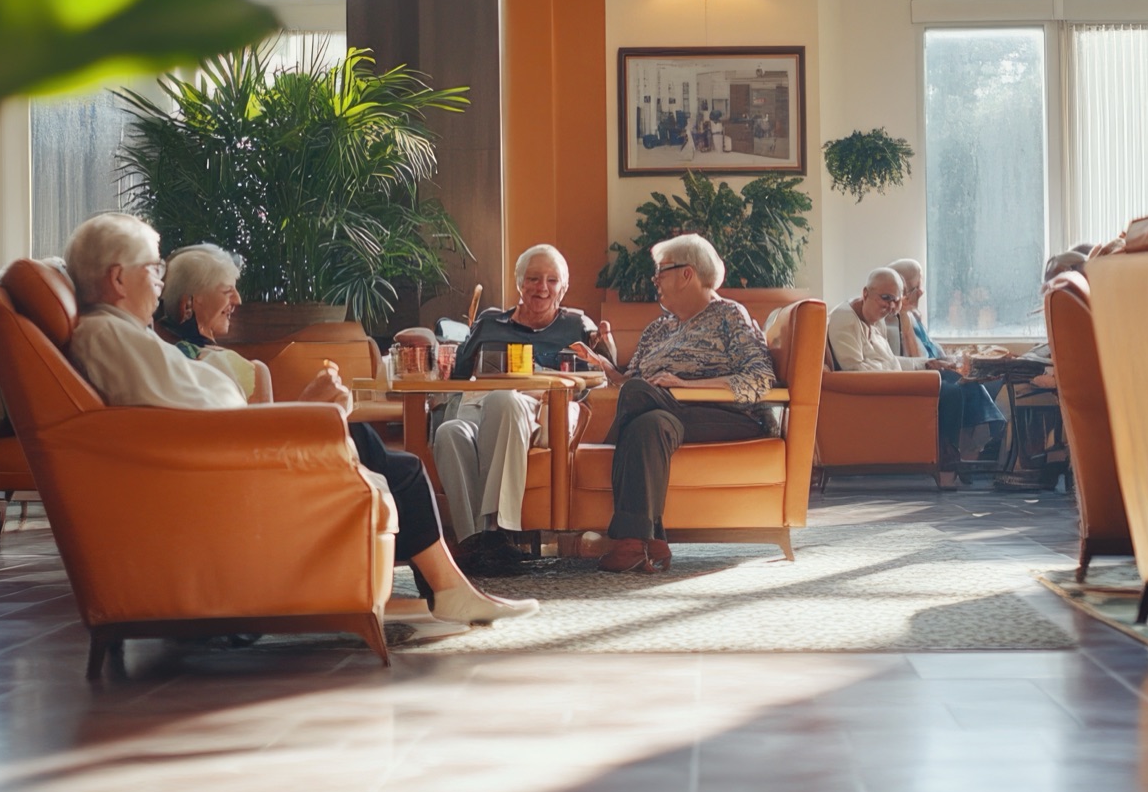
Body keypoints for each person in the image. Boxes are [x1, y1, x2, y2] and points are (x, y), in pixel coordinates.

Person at [60, 213, 538, 626]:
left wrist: (306, 411)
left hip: (231, 451)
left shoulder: (123, 334)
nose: (161, 281)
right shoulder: (111, 336)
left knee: (393, 461)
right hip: (232, 465)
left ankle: (449, 589)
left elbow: (193, 413)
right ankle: (450, 591)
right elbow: (200, 420)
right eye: (154, 269)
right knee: (392, 460)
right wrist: (311, 412)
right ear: (119, 279)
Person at [568, 234, 775, 574]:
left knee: (639, 397)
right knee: (646, 424)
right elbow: (630, 384)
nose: (655, 281)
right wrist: (606, 368)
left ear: (687, 274)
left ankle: (614, 531)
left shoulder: (729, 315)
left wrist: (689, 385)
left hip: (724, 415)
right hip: (665, 416)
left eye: (660, 272)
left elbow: (760, 379)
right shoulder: (657, 329)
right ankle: (639, 542)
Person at [430, 244, 615, 573]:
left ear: (563, 287)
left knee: (505, 398)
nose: (542, 287)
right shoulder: (490, 322)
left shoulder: (576, 324)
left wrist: (603, 346)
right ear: (519, 284)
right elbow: (457, 374)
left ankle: (500, 531)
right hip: (482, 404)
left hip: (546, 410)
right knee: (449, 432)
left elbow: (605, 370)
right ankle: (475, 544)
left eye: (551, 280)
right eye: (533, 278)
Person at [827, 267, 973, 488]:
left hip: (890, 384)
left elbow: (890, 360)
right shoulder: (845, 319)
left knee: (956, 380)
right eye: (885, 299)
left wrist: (926, 364)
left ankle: (954, 455)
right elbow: (853, 371)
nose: (891, 307)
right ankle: (947, 465)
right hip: (877, 395)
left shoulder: (876, 318)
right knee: (950, 393)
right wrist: (910, 378)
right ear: (865, 293)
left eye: (896, 301)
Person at [888, 257, 1007, 478]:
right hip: (929, 376)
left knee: (994, 377)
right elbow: (917, 360)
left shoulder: (914, 316)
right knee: (968, 386)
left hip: (942, 367)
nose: (922, 292)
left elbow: (934, 349)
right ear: (903, 292)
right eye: (916, 287)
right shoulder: (893, 321)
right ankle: (965, 460)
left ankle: (971, 455)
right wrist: (904, 318)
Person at [156, 242, 271, 402]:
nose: (237, 300)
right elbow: (267, 426)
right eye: (227, 291)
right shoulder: (255, 371)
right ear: (188, 304)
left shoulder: (156, 363)